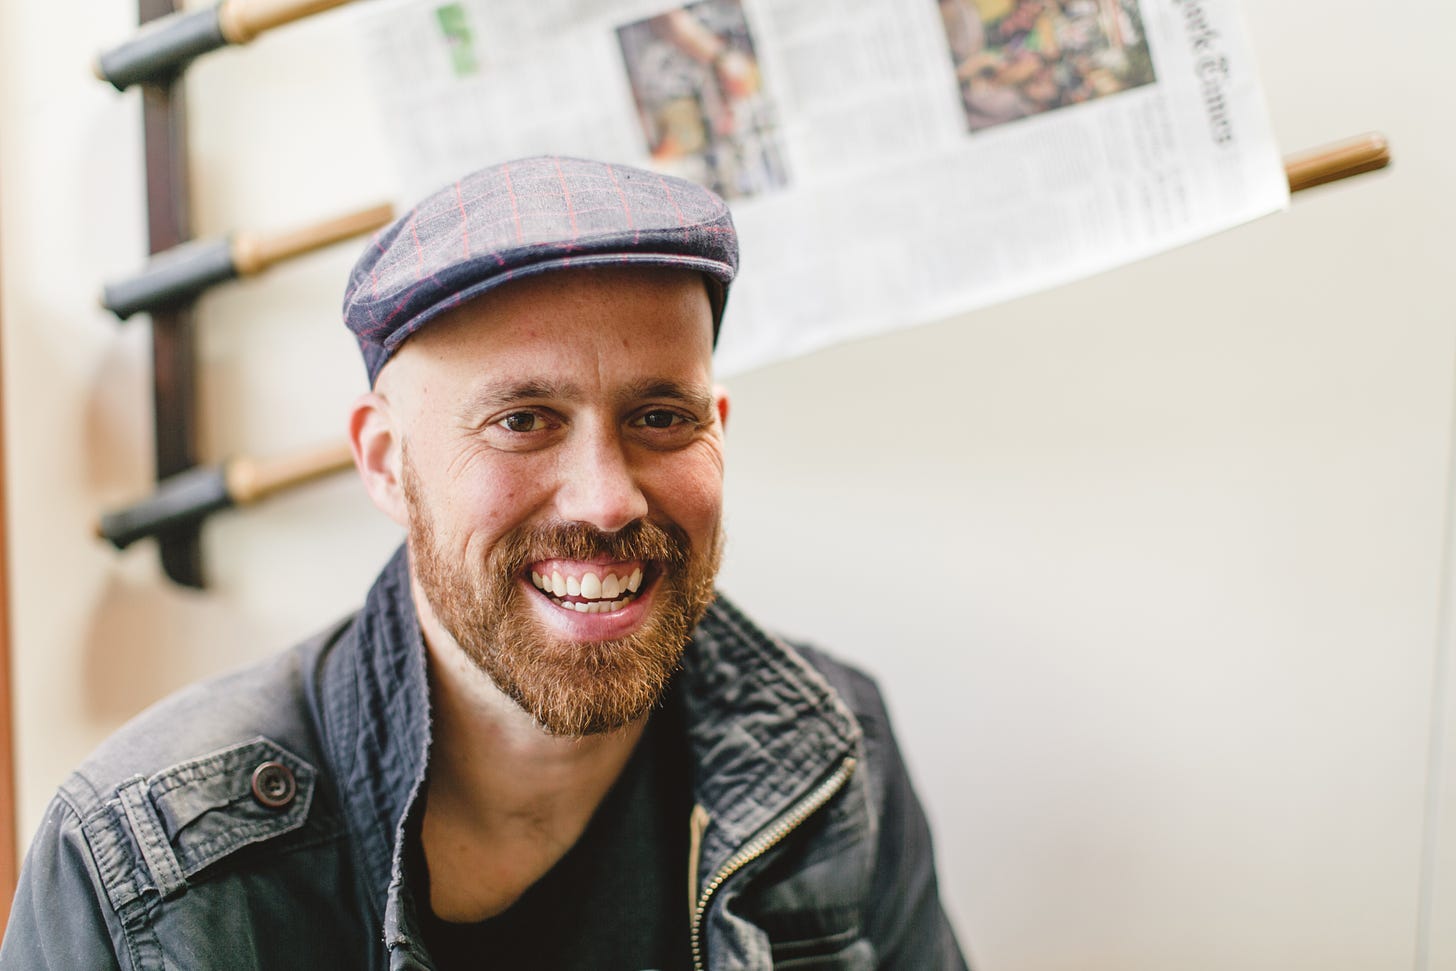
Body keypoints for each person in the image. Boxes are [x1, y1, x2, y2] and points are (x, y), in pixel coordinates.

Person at [0, 156, 968, 969]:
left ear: (716, 430)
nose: (605, 497)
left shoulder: (839, 753)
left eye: (659, 418)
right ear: (387, 461)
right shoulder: (141, 859)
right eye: (521, 421)